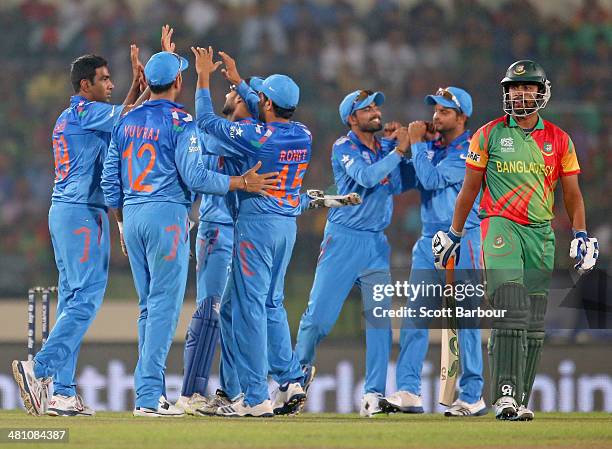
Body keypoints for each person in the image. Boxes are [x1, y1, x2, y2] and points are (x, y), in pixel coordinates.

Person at [100, 50, 277, 418]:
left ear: (149, 83)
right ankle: (149, 398)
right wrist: (240, 181)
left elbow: (109, 180)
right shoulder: (182, 121)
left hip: (131, 216)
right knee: (164, 307)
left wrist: (119, 222)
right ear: (179, 82)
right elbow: (196, 178)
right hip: (166, 216)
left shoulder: (126, 118)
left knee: (149, 307)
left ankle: (148, 393)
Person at [432, 60, 599, 421]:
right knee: (510, 306)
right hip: (500, 226)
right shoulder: (489, 134)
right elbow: (469, 189)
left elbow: (572, 195)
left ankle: (519, 400)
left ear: (541, 93)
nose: (520, 93)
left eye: (527, 88)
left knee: (533, 324)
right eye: (514, 87)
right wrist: (454, 233)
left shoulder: (559, 140)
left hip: (540, 234)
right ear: (505, 92)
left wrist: (581, 234)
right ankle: (504, 396)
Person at [12, 46, 144, 417]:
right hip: (83, 213)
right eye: (104, 79)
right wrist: (150, 87)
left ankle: (63, 394)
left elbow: (120, 119)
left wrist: (137, 85)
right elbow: (131, 118)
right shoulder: (87, 113)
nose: (111, 85)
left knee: (72, 301)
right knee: (86, 298)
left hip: (71, 213)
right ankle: (37, 370)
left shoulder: (76, 115)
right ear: (85, 85)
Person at [192, 46, 313, 417]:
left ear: (266, 104)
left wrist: (202, 78)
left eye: (258, 97)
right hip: (285, 227)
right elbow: (263, 113)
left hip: (256, 228)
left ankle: (255, 398)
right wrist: (241, 82)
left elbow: (207, 122)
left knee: (247, 310)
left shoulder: (255, 136)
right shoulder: (302, 134)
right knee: (243, 306)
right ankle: (288, 379)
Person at [294, 89, 413, 417]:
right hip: (343, 241)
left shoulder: (384, 147)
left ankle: (374, 394)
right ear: (351, 118)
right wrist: (400, 149)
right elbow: (367, 177)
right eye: (366, 108)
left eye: (376, 106)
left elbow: (399, 185)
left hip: (376, 245)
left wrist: (412, 147)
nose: (375, 111)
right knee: (317, 319)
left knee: (380, 323)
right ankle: (295, 377)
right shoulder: (344, 147)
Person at [380, 87, 487, 417]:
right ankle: (409, 390)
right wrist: (397, 146)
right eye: (435, 110)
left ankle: (472, 395)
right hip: (429, 241)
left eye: (444, 111)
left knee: (465, 317)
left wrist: (419, 143)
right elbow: (401, 184)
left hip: (462, 239)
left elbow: (432, 180)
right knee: (415, 315)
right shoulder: (435, 148)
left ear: (462, 117)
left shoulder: (470, 150)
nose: (436, 116)